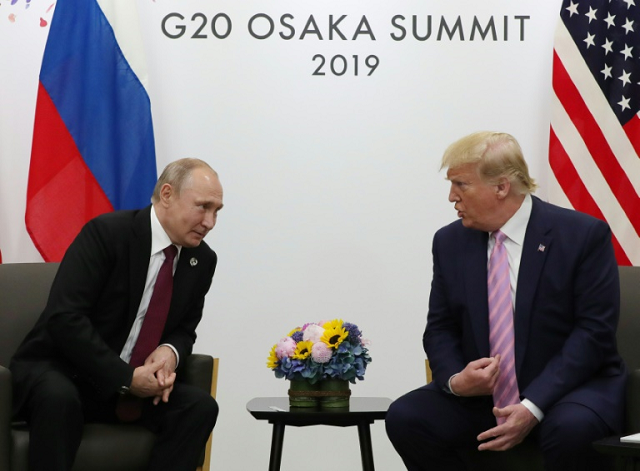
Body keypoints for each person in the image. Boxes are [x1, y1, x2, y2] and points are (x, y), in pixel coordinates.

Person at [385, 131, 626, 470]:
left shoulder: (582, 235)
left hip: (568, 390)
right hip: (484, 398)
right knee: (407, 417)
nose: (452, 197)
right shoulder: (450, 241)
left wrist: (533, 406)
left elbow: (593, 333)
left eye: (461, 184)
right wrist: (456, 381)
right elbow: (440, 327)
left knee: (572, 429)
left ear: (501, 187)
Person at [10, 158, 224, 471]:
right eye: (203, 207)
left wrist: (171, 352)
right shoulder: (107, 234)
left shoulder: (201, 260)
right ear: (167, 194)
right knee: (59, 400)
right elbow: (65, 318)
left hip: (130, 388)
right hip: (64, 370)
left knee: (199, 407)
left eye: (217, 211)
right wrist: (125, 378)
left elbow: (185, 328)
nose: (210, 222)